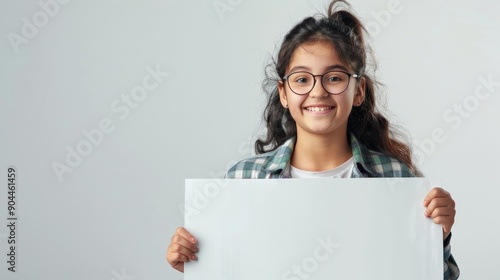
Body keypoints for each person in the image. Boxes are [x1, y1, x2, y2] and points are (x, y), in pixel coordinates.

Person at [166, 0, 459, 279]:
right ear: (283, 92)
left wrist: (438, 236)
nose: (317, 92)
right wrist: (197, 262)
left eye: (334, 78)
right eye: (302, 79)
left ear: (358, 91)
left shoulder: (397, 179)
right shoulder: (244, 180)